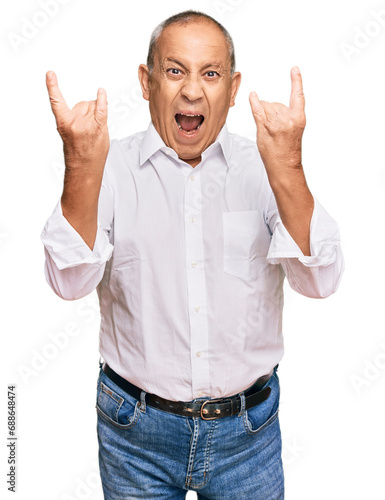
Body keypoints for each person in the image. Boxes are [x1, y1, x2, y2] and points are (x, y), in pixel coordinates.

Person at [41, 10, 344, 500]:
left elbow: (321, 280)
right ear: (147, 81)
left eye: (210, 73)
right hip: (134, 433)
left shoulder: (264, 166)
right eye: (175, 70)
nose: (191, 91)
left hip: (249, 435)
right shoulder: (109, 166)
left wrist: (288, 164)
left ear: (232, 84)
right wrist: (79, 163)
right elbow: (68, 283)